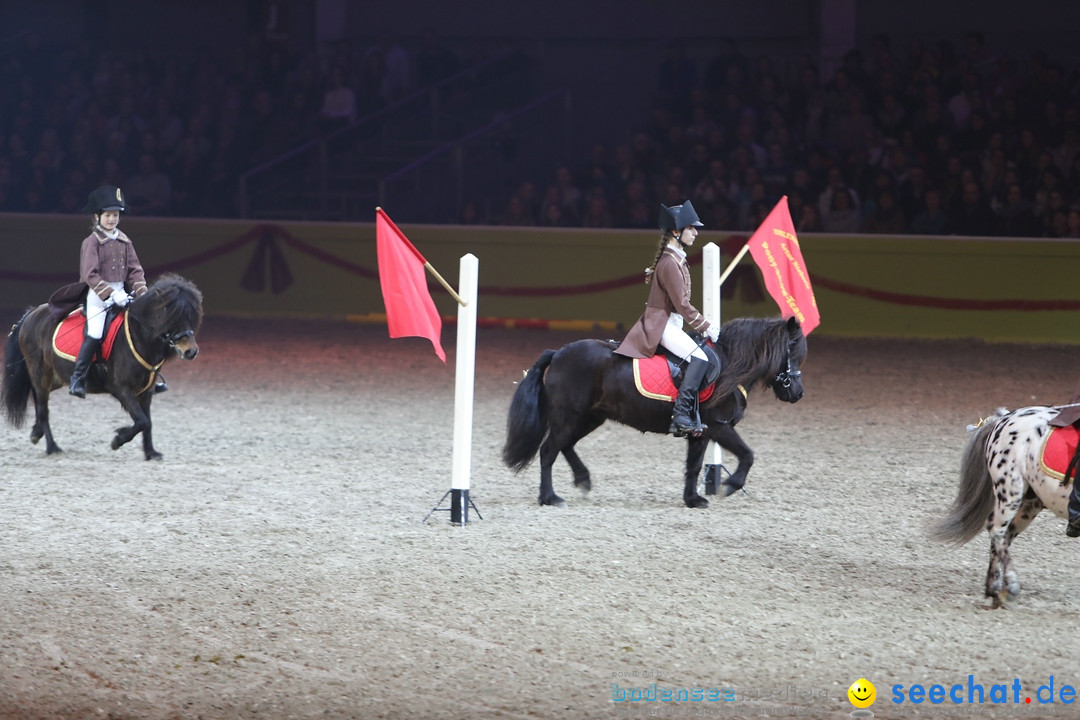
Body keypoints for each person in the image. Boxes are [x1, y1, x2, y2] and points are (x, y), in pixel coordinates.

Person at [614, 200, 719, 437]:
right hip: (662, 325)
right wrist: (705, 326)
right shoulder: (670, 262)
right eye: (691, 228)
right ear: (676, 231)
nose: (695, 232)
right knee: (701, 359)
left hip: (670, 323)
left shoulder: (675, 258)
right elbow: (682, 304)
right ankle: (681, 416)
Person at [67, 185, 165, 397]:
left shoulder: (124, 240)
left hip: (122, 294)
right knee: (95, 332)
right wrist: (111, 294)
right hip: (98, 296)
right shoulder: (91, 242)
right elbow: (90, 274)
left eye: (116, 215)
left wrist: (141, 292)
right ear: (97, 216)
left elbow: (135, 270)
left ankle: (150, 374)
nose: (112, 219)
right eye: (108, 215)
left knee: (144, 328)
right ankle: (78, 377)